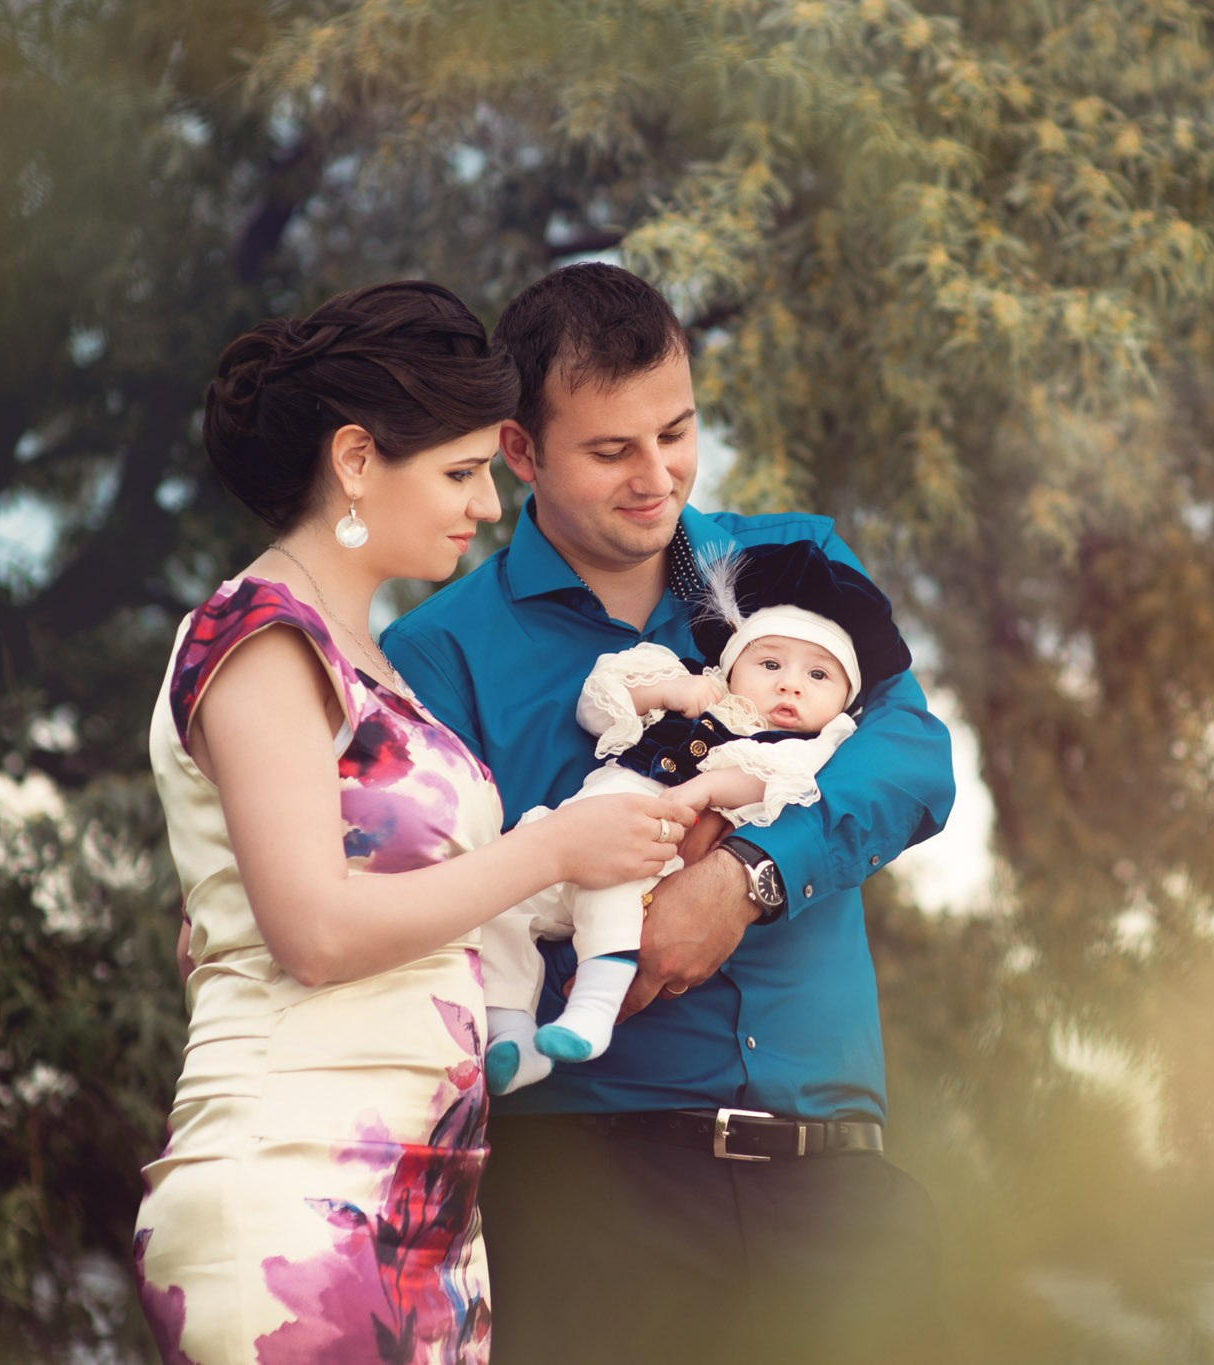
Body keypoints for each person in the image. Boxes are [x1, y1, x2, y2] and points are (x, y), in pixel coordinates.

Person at [382, 262, 957, 1362]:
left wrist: (743, 880)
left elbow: (910, 757)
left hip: (838, 1188)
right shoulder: (436, 655)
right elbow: (441, 917)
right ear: (519, 450)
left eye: (677, 433)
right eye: (611, 452)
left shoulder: (794, 561)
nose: (658, 479)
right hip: (587, 1206)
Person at [131, 280, 697, 1364]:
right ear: (354, 461)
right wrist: (547, 850)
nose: (484, 506)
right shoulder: (261, 636)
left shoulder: (364, 657)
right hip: (299, 1185)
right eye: (458, 471)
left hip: (421, 1200)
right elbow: (315, 932)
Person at [482, 539, 914, 1092]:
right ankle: (512, 1033)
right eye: (770, 663)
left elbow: (768, 782)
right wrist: (670, 689)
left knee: (611, 887)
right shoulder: (692, 686)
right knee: (500, 903)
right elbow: (597, 705)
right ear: (732, 666)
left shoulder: (800, 748)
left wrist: (707, 787)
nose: (790, 683)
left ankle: (591, 1009)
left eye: (819, 677)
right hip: (569, 830)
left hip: (649, 841)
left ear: (843, 703)